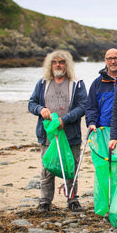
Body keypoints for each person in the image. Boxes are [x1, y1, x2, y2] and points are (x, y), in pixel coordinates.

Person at [28, 50, 87, 212]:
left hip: (70, 135)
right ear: (50, 65)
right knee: (47, 168)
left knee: (71, 168)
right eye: (54, 62)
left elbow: (83, 107)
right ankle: (45, 201)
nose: (58, 65)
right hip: (48, 135)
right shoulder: (42, 83)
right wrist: (40, 109)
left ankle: (72, 199)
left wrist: (65, 120)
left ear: (67, 65)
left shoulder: (77, 84)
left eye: (61, 62)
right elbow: (31, 103)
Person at [85, 48, 117, 132]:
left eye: (115, 58)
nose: (113, 62)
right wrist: (91, 123)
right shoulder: (97, 83)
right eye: (109, 59)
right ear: (105, 61)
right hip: (103, 130)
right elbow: (91, 107)